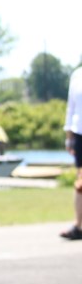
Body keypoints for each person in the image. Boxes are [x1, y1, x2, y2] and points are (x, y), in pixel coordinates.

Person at [61, 66, 82, 240]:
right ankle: (78, 225)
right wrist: (69, 137)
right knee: (81, 182)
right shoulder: (77, 75)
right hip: (80, 133)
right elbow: (71, 108)